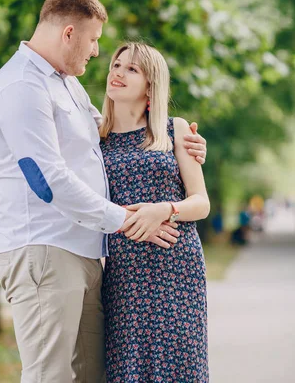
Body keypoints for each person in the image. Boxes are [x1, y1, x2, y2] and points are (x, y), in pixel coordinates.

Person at [0, 0, 207, 383]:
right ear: (69, 34)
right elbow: (48, 181)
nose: (99, 54)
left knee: (89, 376)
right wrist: (127, 221)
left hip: (85, 254)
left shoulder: (65, 84)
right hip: (44, 250)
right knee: (50, 375)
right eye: (95, 40)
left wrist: (188, 145)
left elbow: (97, 152)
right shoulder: (22, 87)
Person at [100, 42, 210, 383]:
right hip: (123, 274)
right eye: (116, 65)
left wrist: (164, 210)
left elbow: (201, 202)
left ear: (151, 85)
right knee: (129, 369)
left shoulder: (174, 129)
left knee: (180, 368)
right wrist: (133, 221)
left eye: (131, 69)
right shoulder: (93, 137)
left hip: (175, 269)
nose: (118, 72)